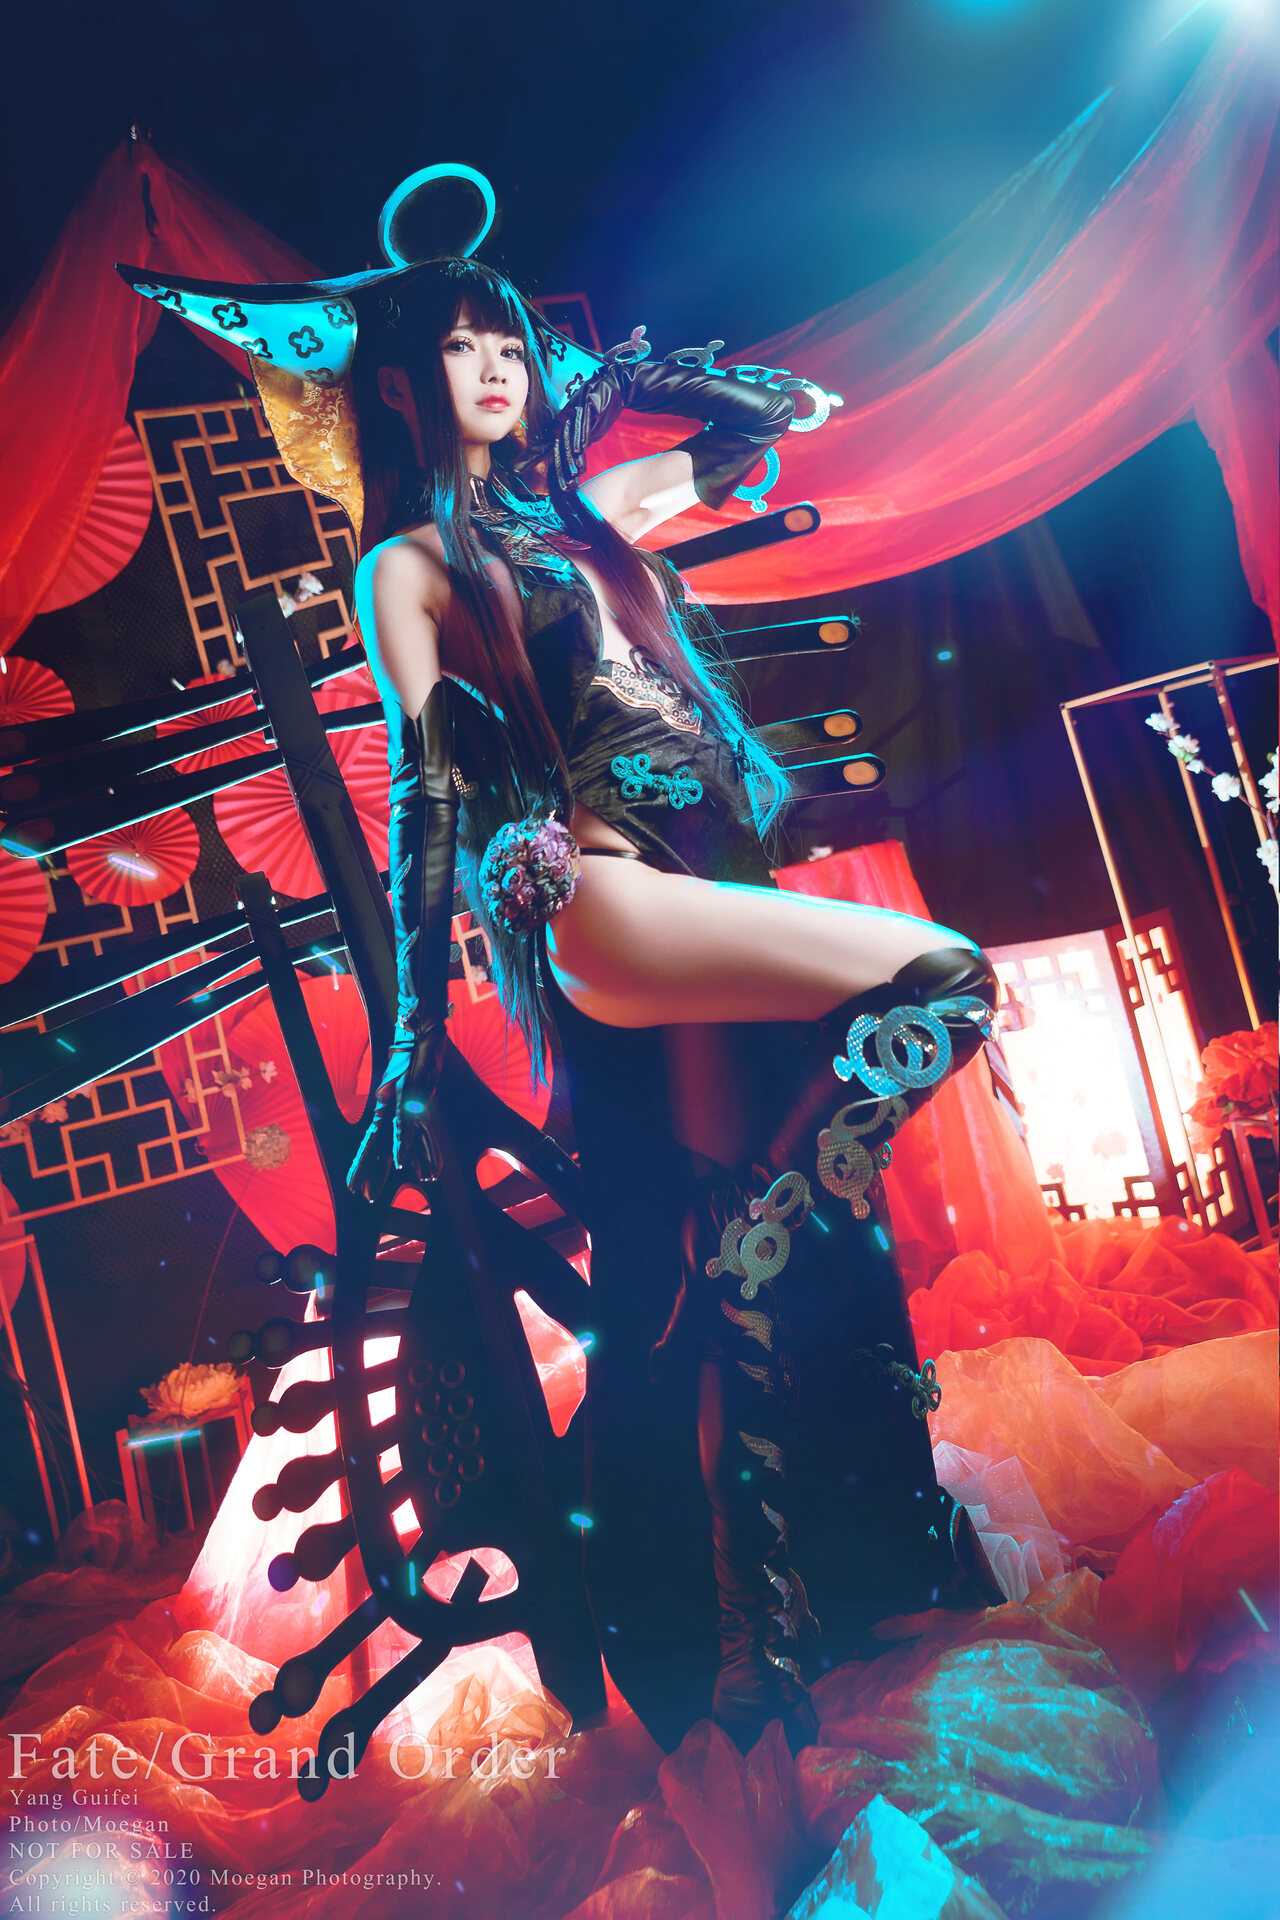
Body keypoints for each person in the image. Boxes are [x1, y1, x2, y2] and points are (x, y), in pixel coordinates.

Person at [119, 222, 1003, 1760]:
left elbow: (770, 429)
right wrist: (411, 1037)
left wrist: (645, 380)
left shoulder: (589, 522)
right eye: (459, 346)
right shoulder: (409, 565)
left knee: (781, 1229)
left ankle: (766, 1575)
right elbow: (429, 791)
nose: (495, 368)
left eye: (507, 342)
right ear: (400, 386)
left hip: (709, 884)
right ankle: (755, 1240)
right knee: (946, 981)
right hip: (605, 897)